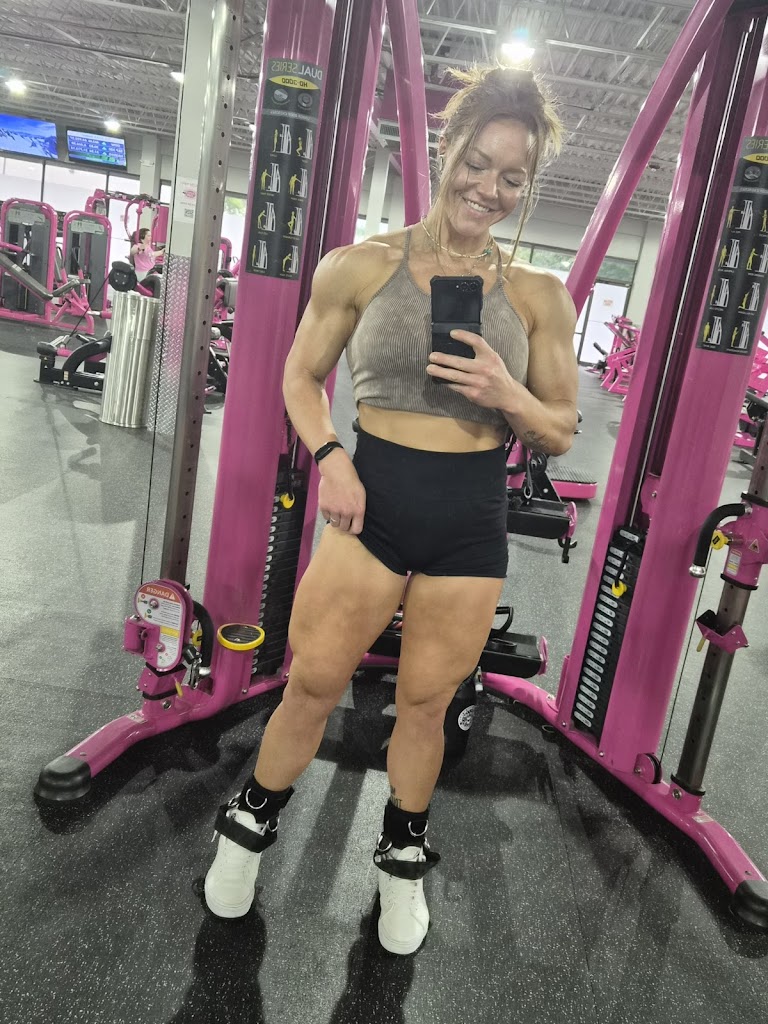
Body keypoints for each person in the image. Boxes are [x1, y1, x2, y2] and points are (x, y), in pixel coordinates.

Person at [203, 64, 579, 955]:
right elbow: (300, 376)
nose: (488, 189)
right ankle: (248, 828)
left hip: (470, 521)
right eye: (477, 164)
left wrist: (506, 392)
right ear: (448, 151)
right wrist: (332, 458)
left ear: (528, 187)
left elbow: (561, 428)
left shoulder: (539, 295)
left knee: (426, 703)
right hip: (369, 502)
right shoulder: (360, 266)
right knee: (314, 682)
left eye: (512, 177)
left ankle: (401, 858)